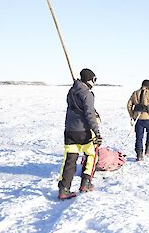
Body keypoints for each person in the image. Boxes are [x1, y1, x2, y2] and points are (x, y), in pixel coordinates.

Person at [58, 68, 102, 200]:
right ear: (89, 80)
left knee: (70, 159)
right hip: (83, 131)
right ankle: (86, 183)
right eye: (94, 80)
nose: (94, 83)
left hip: (69, 131)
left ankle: (64, 189)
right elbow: (89, 114)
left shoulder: (71, 91)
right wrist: (97, 132)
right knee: (91, 154)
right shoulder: (87, 94)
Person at [127, 79, 149, 161]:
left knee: (139, 137)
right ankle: (148, 149)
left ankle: (139, 155)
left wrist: (132, 115)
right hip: (148, 118)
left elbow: (129, 105)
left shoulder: (135, 93)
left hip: (138, 119)